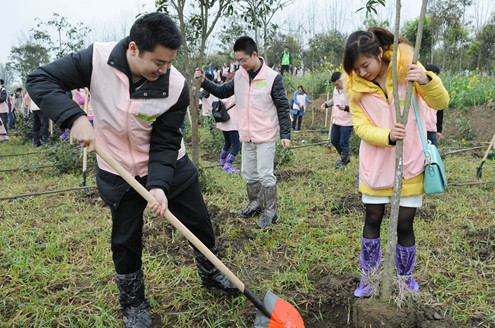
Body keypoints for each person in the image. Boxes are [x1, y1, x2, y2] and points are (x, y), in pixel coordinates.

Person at [26, 12, 239, 327]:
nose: (164, 69)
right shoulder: (96, 59)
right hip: (116, 166)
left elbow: (166, 140)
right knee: (125, 239)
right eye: (158, 62)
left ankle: (212, 275)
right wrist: (74, 117)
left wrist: (159, 185)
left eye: (169, 62)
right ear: (134, 48)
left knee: (197, 221)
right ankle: (134, 304)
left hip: (169, 163)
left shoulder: (176, 85)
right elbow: (39, 79)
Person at [343, 27, 449, 297]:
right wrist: (387, 136)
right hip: (376, 166)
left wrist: (426, 80)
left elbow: (441, 101)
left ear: (379, 52)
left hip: (410, 163)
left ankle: (405, 279)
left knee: (404, 224)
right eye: (356, 69)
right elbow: (361, 128)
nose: (363, 72)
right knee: (372, 219)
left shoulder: (407, 69)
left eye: (365, 65)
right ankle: (369, 278)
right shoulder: (355, 89)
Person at [194, 36, 291, 229]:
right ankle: (255, 204)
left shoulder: (272, 78)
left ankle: (270, 213)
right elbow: (221, 92)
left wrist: (286, 135)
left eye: (243, 60)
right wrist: (204, 81)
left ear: (254, 54)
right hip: (246, 134)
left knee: (265, 174)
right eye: (238, 61)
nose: (240, 64)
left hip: (265, 135)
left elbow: (282, 107)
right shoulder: (239, 76)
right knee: (248, 173)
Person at [321, 72, 354, 169]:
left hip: (347, 122)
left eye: (337, 84)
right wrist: (326, 104)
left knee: (343, 142)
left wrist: (346, 108)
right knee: (334, 140)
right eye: (334, 84)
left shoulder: (350, 90)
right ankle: (344, 158)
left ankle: (344, 162)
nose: (336, 86)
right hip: (336, 120)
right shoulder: (336, 89)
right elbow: (334, 99)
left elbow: (357, 107)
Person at [424, 64, 444, 147]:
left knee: (433, 155)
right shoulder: (419, 90)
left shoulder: (438, 92)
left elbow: (440, 112)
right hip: (419, 129)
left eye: (436, 75)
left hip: (432, 129)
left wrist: (439, 130)